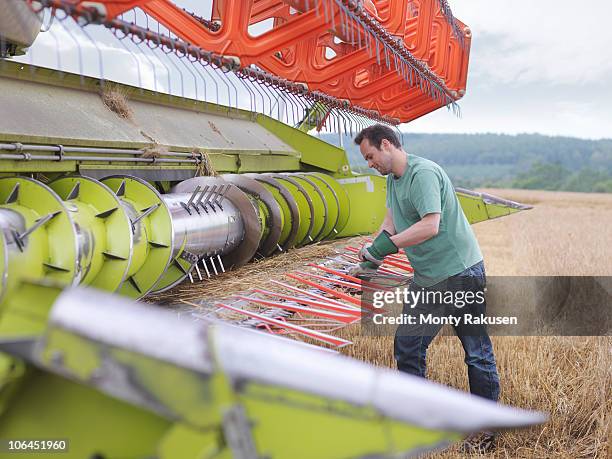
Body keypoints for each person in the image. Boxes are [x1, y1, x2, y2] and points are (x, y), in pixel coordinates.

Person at [352, 124, 500, 453]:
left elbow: (430, 226)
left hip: (460, 272)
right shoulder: (392, 180)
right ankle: (417, 421)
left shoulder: (423, 174)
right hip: (428, 276)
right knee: (407, 348)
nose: (369, 163)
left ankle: (486, 430)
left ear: (387, 144)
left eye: (371, 156)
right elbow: (390, 223)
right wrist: (372, 258)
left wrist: (384, 249)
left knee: (476, 352)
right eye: (366, 159)